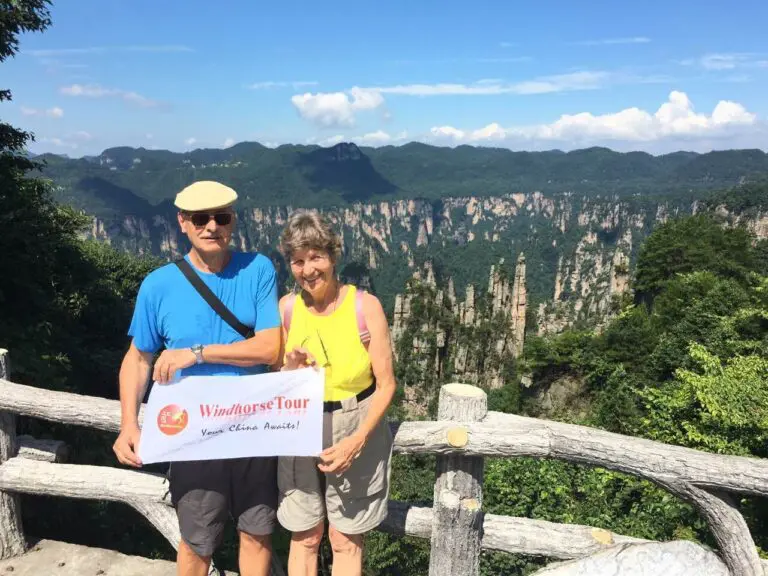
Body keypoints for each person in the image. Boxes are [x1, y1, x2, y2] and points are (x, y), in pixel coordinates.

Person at [112, 180, 282, 576]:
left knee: (257, 532)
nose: (212, 226)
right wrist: (128, 424)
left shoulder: (258, 269)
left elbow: (269, 348)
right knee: (196, 540)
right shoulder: (158, 285)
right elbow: (137, 358)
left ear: (232, 221)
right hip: (193, 432)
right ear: (183, 223)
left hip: (254, 426)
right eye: (200, 218)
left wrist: (197, 353)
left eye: (221, 217)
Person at [275, 210, 396, 576]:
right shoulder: (287, 309)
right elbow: (277, 381)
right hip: (300, 423)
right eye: (298, 261)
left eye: (316, 257)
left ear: (333, 256)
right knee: (304, 535)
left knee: (345, 539)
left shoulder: (364, 307)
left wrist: (357, 440)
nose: (308, 269)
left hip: (354, 419)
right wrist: (288, 368)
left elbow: (386, 384)